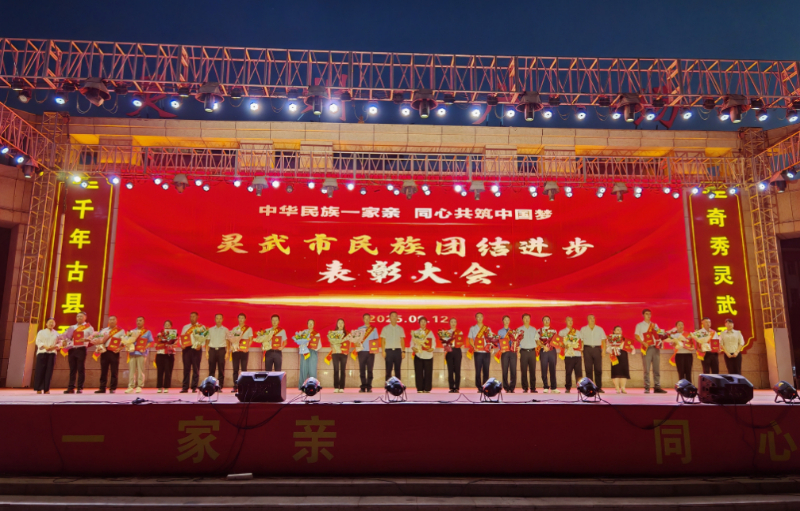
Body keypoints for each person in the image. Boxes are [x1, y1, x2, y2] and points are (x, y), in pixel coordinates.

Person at [59, 311, 94, 394]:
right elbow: (66, 337)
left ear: (85, 318)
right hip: (72, 349)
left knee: (80, 368)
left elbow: (93, 337)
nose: (79, 318)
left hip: (81, 349)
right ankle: (71, 387)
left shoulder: (88, 327)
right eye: (78, 316)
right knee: (72, 369)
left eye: (81, 316)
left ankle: (80, 387)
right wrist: (64, 341)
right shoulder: (72, 327)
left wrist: (86, 339)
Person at [634, 309, 667, 394]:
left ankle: (657, 387)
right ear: (643, 315)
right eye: (646, 314)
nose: (648, 315)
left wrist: (661, 341)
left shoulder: (654, 325)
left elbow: (659, 335)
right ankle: (647, 387)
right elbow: (636, 336)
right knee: (647, 369)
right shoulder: (639, 325)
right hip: (646, 348)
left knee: (656, 368)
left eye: (649, 314)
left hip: (655, 348)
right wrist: (643, 342)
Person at [93, 315, 126, 394]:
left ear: (116, 321)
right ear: (108, 321)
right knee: (103, 370)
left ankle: (113, 388)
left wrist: (120, 348)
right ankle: (102, 387)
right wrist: (98, 345)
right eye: (110, 319)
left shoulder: (120, 331)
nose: (112, 321)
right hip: (104, 351)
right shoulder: (103, 330)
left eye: (113, 319)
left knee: (114, 370)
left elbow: (124, 341)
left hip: (114, 352)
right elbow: (98, 339)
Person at [125, 316, 153, 393]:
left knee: (141, 370)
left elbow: (150, 342)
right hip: (132, 352)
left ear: (143, 322)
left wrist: (145, 347)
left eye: (140, 320)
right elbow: (128, 341)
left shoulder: (147, 332)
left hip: (141, 353)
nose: (138, 322)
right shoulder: (132, 331)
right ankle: (131, 386)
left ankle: (139, 386)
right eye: (137, 320)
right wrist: (128, 346)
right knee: (132, 370)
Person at [579, 314, 606, 393]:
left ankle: (598, 387)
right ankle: (590, 388)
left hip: (597, 349)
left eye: (593, 318)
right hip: (587, 349)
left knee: (598, 369)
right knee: (588, 369)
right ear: (587, 319)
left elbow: (603, 340)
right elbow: (581, 341)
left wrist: (603, 350)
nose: (592, 319)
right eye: (590, 318)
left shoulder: (599, 329)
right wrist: (581, 351)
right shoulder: (583, 329)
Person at [180, 312, 205, 393]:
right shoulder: (185, 327)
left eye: (194, 316)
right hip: (186, 349)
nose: (192, 318)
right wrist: (182, 344)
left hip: (196, 349)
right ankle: (185, 387)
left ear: (197, 317)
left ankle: (194, 387)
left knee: (196, 368)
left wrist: (200, 345)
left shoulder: (201, 327)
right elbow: (181, 337)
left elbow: (204, 338)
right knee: (186, 368)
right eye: (191, 316)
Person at [468, 312, 493, 392]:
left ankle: (485, 387)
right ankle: (479, 387)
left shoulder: (487, 328)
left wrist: (491, 347)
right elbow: (470, 340)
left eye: (481, 317)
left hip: (486, 352)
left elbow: (491, 339)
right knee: (478, 370)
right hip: (478, 352)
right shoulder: (472, 328)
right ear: (475, 318)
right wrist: (474, 347)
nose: (479, 318)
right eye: (478, 317)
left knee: (486, 370)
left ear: (483, 318)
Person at [228, 313, 253, 393]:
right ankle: (235, 386)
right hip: (236, 351)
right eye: (240, 318)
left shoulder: (248, 329)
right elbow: (232, 339)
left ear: (245, 319)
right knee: (235, 369)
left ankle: (244, 386)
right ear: (238, 319)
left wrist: (247, 347)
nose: (241, 319)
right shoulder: (234, 329)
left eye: (242, 318)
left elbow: (251, 340)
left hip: (244, 351)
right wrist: (232, 346)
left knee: (244, 369)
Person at [33, 318, 59, 394]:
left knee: (49, 371)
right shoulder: (41, 332)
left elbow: (60, 342)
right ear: (46, 324)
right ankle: (38, 388)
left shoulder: (57, 333)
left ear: (55, 324)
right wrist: (45, 347)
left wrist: (54, 347)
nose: (51, 324)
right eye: (49, 322)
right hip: (42, 352)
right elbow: (38, 341)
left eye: (53, 322)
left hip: (52, 353)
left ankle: (46, 389)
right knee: (40, 370)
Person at [410, 317, 436, 393]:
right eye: (421, 322)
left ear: (426, 323)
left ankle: (427, 388)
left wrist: (432, 348)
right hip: (419, 355)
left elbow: (433, 342)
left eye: (424, 322)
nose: (423, 323)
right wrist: (413, 348)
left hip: (428, 355)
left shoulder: (430, 332)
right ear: (419, 323)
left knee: (428, 373)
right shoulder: (416, 332)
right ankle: (420, 388)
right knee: (418, 372)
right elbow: (412, 342)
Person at [356, 313, 379, 393]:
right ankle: (363, 387)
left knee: (370, 370)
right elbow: (357, 340)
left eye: (368, 318)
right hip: (361, 352)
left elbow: (376, 340)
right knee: (362, 370)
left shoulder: (374, 329)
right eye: (365, 318)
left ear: (370, 319)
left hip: (370, 352)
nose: (366, 320)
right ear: (363, 319)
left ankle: (369, 387)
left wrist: (375, 349)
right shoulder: (359, 329)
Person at [607, 326, 635, 393]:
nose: (619, 331)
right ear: (614, 331)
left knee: (624, 373)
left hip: (623, 356)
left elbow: (632, 352)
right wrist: (612, 348)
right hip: (614, 356)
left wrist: (632, 348)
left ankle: (623, 388)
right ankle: (617, 388)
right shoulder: (610, 339)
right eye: (617, 330)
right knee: (616, 372)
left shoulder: (625, 340)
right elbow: (607, 349)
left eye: (620, 330)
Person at [559, 317, 583, 393]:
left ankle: (580, 387)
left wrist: (581, 347)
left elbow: (581, 341)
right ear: (565, 321)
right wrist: (564, 345)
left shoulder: (577, 332)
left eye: (571, 320)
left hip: (577, 354)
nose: (570, 322)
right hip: (568, 355)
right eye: (568, 320)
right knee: (568, 372)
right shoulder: (562, 332)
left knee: (579, 373)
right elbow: (559, 343)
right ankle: (568, 387)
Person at [295, 319, 321, 390]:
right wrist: (304, 344)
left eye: (312, 323)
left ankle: (313, 386)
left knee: (312, 369)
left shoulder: (316, 334)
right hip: (305, 352)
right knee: (304, 368)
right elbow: (299, 343)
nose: (310, 325)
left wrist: (314, 347)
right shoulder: (303, 333)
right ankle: (302, 386)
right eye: (309, 323)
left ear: (314, 325)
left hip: (313, 352)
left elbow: (319, 345)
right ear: (307, 324)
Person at [206, 313, 229, 390]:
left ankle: (220, 386)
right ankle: (211, 386)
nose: (219, 320)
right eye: (217, 318)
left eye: (220, 318)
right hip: (212, 350)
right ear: (215, 319)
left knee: (221, 370)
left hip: (221, 350)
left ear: (222, 319)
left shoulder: (225, 330)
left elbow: (227, 341)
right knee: (211, 369)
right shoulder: (210, 330)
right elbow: (207, 341)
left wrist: (227, 352)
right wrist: (206, 352)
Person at [442, 317, 465, 393]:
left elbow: (461, 341)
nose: (453, 323)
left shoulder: (459, 332)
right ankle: (451, 387)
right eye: (451, 322)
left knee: (457, 370)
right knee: (450, 370)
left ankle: (457, 387)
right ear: (449, 323)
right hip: (449, 351)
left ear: (456, 323)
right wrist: (446, 345)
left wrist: (462, 345)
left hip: (457, 351)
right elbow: (444, 342)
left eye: (454, 322)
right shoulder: (446, 332)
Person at [380, 311, 406, 380]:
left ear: (397, 318)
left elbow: (402, 340)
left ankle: (398, 385)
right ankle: (388, 385)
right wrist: (383, 351)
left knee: (398, 370)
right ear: (389, 318)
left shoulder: (400, 328)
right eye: (392, 316)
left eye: (395, 316)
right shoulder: (385, 328)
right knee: (388, 370)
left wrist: (403, 351)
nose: (394, 317)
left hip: (398, 351)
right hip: (388, 351)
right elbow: (383, 340)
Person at [517, 314, 539, 393]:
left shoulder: (534, 329)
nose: (526, 319)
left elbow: (537, 340)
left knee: (532, 370)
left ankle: (533, 388)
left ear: (530, 319)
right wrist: (518, 352)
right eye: (525, 318)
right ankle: (525, 388)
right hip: (523, 352)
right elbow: (517, 341)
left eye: (528, 318)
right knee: (524, 370)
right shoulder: (519, 329)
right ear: (522, 319)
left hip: (532, 352)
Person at [538, 316, 559, 394]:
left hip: (552, 351)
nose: (546, 321)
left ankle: (554, 387)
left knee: (552, 369)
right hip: (543, 351)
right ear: (542, 321)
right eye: (545, 320)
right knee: (544, 369)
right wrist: (544, 346)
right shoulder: (539, 331)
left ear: (550, 321)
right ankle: (545, 386)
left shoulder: (554, 330)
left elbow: (556, 340)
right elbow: (537, 341)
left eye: (548, 320)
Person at [155, 320, 177, 393]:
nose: (167, 326)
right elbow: (156, 344)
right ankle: (159, 387)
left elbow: (175, 344)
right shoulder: (159, 334)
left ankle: (166, 387)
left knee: (168, 371)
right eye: (165, 324)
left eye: (168, 325)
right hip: (160, 354)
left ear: (171, 326)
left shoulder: (173, 334)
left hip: (169, 354)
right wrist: (156, 344)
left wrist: (172, 343)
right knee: (160, 371)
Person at [497, 315, 518, 393]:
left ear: (509, 321)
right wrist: (500, 349)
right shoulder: (500, 331)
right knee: (505, 370)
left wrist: (517, 348)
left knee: (513, 370)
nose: (506, 321)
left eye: (508, 320)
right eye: (505, 320)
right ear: (503, 321)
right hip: (504, 352)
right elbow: (498, 342)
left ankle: (512, 388)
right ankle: (506, 387)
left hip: (512, 352)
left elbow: (517, 341)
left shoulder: (513, 332)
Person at [328, 319, 349, 392]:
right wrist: (333, 346)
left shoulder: (347, 333)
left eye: (342, 323)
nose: (340, 324)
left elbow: (349, 343)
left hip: (344, 353)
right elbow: (331, 343)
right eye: (339, 323)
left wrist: (346, 351)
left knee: (343, 370)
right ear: (337, 324)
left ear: (344, 324)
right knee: (336, 370)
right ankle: (336, 387)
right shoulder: (333, 333)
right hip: (335, 353)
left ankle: (342, 387)